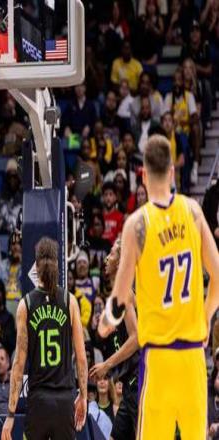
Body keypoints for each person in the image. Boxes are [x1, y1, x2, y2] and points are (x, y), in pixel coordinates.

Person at [99, 134, 219, 439]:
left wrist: (106, 322)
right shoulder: (193, 212)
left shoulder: (137, 224)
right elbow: (218, 274)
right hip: (192, 357)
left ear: (143, 176)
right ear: (172, 172)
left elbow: (119, 298)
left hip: (160, 359)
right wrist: (206, 316)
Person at [1, 237, 88, 440]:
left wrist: (11, 414)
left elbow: (18, 364)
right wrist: (83, 396)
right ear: (57, 265)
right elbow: (82, 358)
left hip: (38, 401)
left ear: (36, 267)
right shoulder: (70, 301)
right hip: (64, 400)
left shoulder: (26, 304)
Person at [89, 239, 139, 440]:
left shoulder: (125, 292)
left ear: (120, 261)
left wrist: (107, 365)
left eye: (111, 254)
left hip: (138, 380)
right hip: (129, 384)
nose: (106, 259)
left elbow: (136, 339)